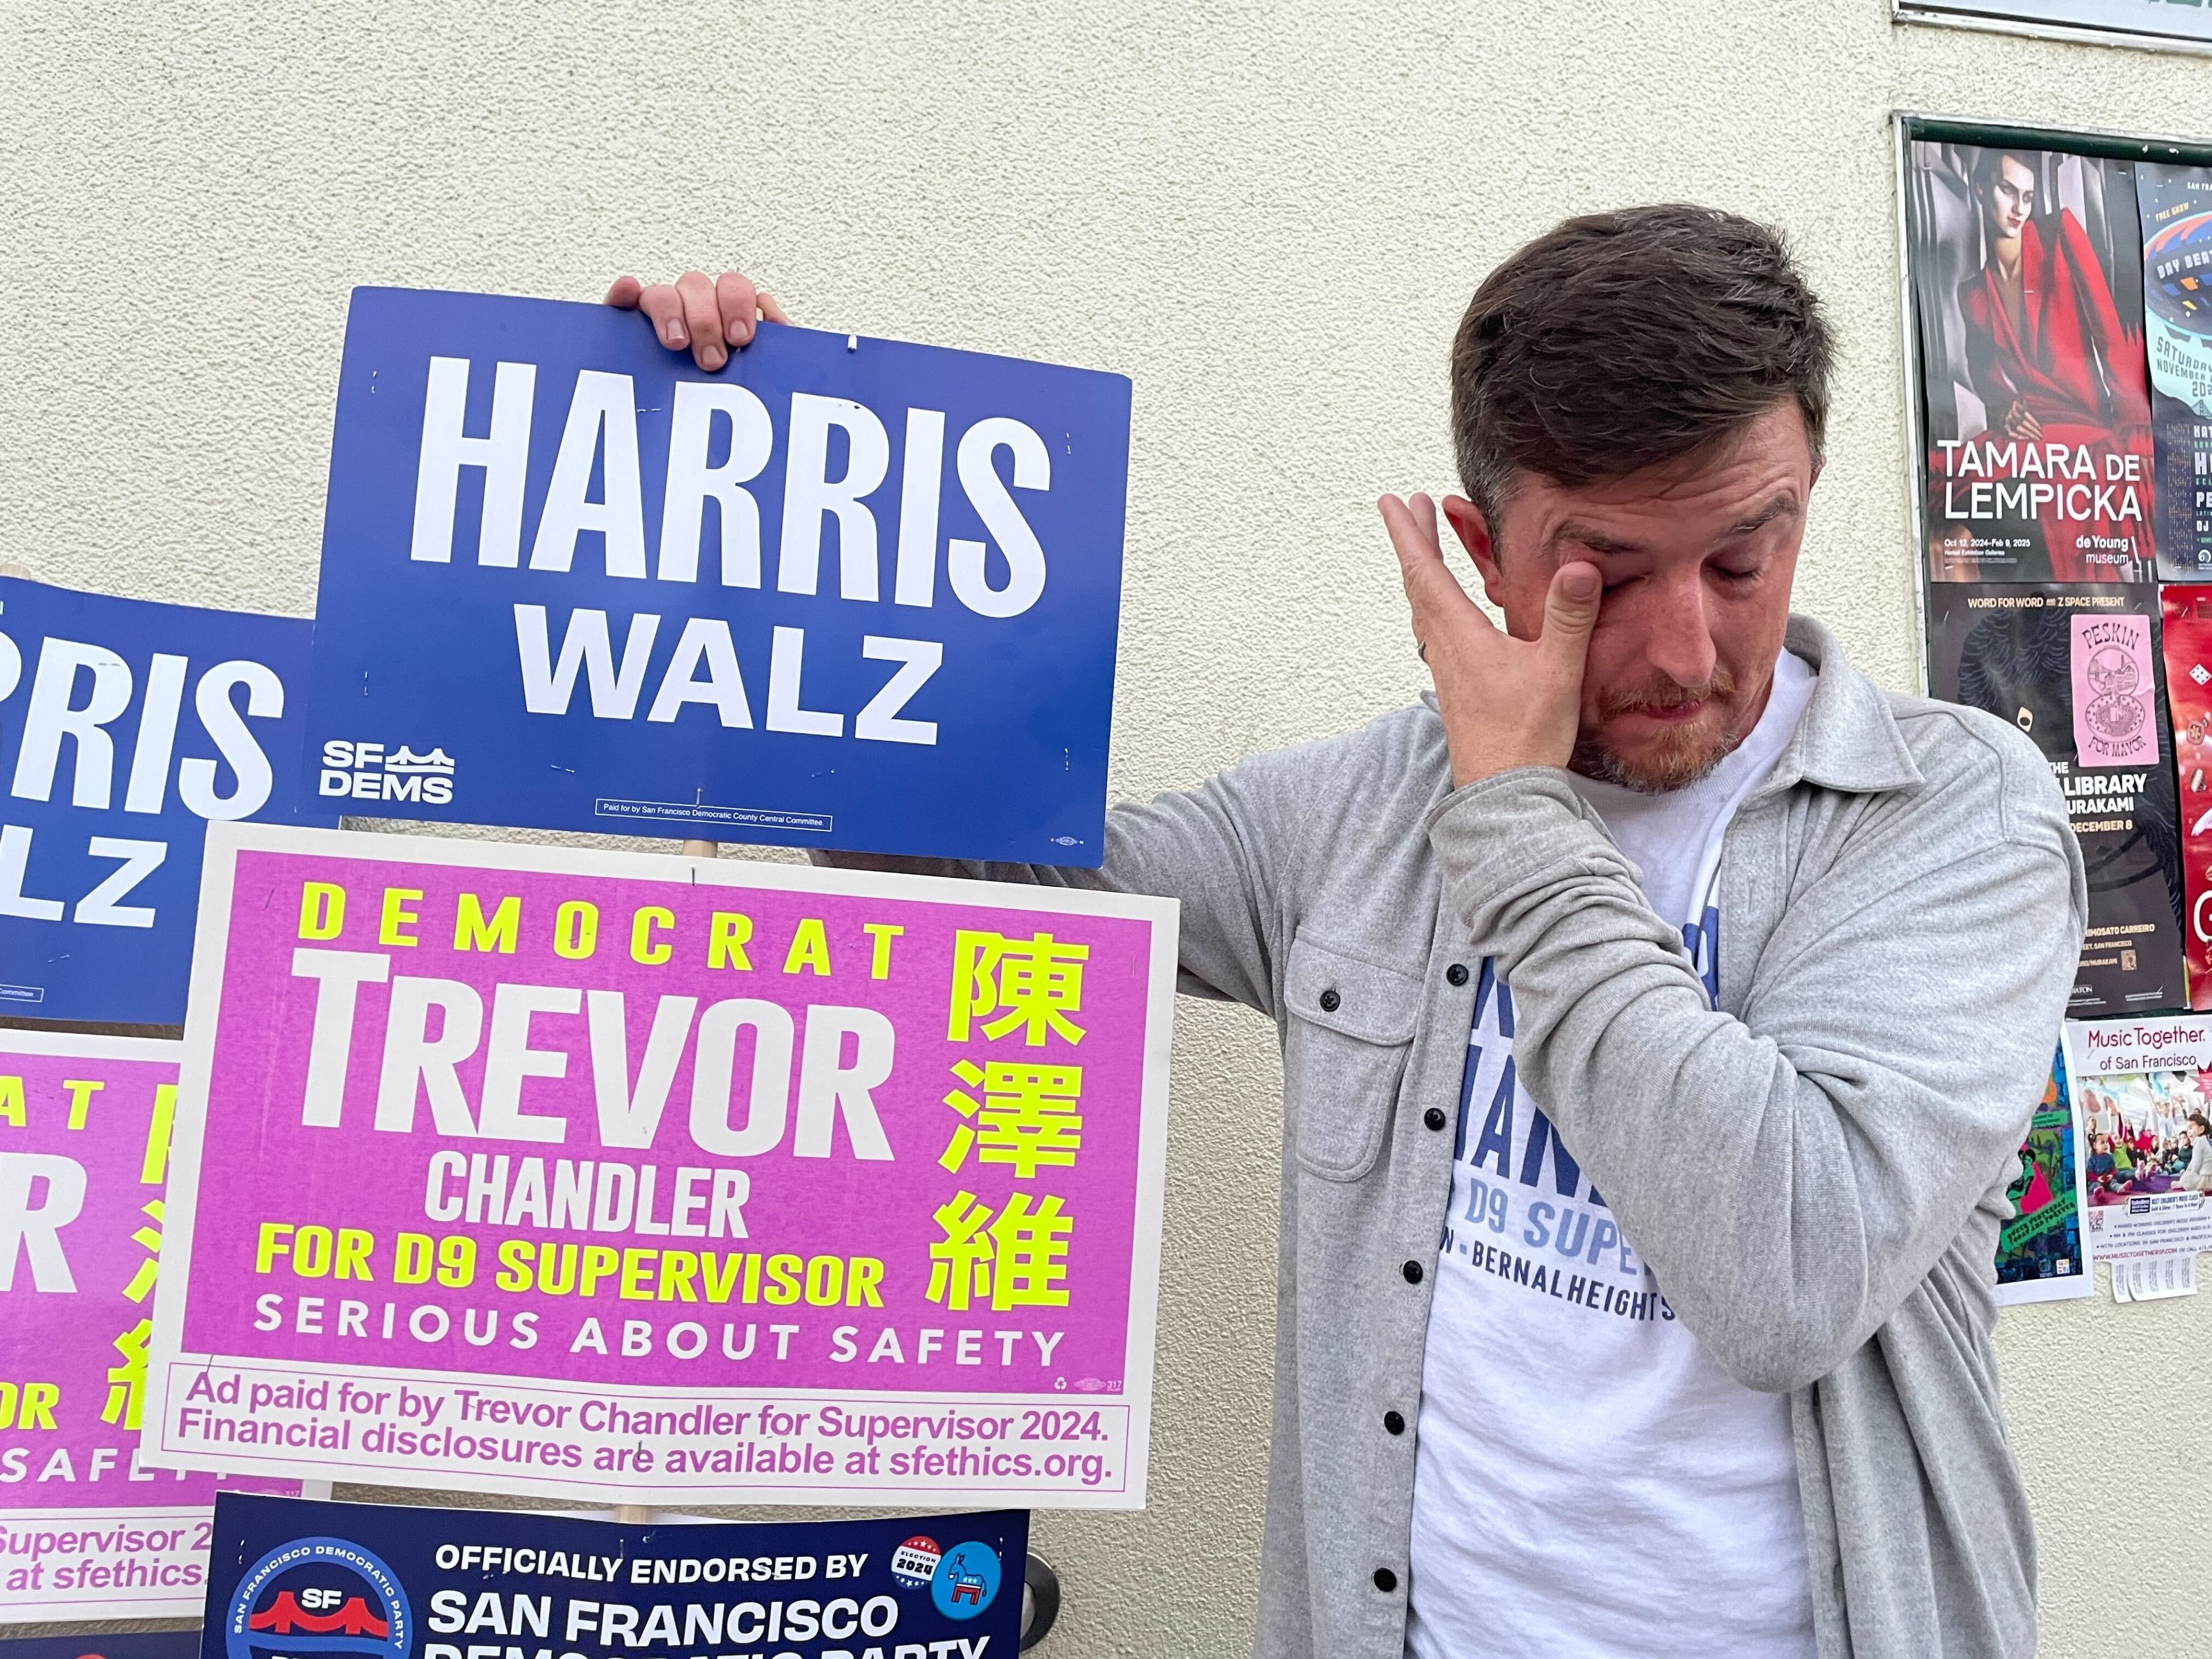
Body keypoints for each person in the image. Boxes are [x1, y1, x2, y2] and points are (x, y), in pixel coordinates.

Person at [612, 204, 2084, 1659]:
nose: (1682, 647)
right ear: (1473, 553)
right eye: (1607, 579)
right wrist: (785, 523)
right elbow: (1003, 891)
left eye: (1740, 563)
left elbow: (1785, 1270)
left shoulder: (1953, 819)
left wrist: (1513, 820)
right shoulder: (1365, 808)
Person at [1953, 148, 2154, 582]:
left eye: (2027, 194)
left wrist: (2134, 433)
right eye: (2009, 190)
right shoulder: (1973, 293)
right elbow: (1983, 367)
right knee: (1951, 487)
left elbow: (2110, 334)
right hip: (2030, 429)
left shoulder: (2060, 231)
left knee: (2060, 495)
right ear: (1981, 187)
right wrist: (2004, 403)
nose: (2020, 206)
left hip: (2089, 423)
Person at [2182, 1112, 2212, 1194]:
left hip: (2206, 1175)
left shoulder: (2200, 1142)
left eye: (2191, 1128)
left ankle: (2181, 1183)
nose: (2188, 1132)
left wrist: (2192, 1174)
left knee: (2188, 1179)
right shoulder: (2201, 1140)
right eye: (2187, 1129)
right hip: (2206, 1172)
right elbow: (2194, 1161)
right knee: (2186, 1174)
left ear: (2201, 1129)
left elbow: (2197, 1161)